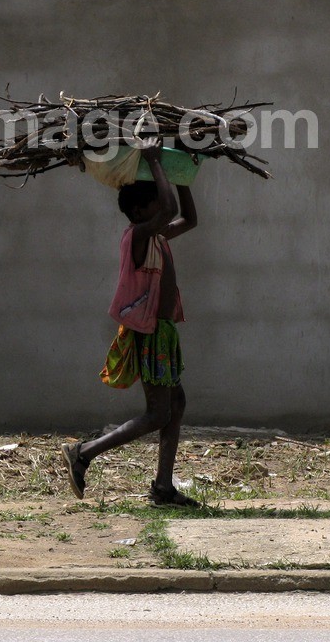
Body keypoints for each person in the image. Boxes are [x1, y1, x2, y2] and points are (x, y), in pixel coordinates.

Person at [61, 140, 200, 507]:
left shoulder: (156, 236)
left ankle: (163, 488)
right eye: (155, 203)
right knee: (158, 413)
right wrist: (156, 161)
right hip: (148, 331)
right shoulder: (137, 237)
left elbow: (189, 218)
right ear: (139, 211)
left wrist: (181, 174)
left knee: (176, 403)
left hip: (162, 331)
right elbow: (170, 208)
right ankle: (83, 452)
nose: (162, 209)